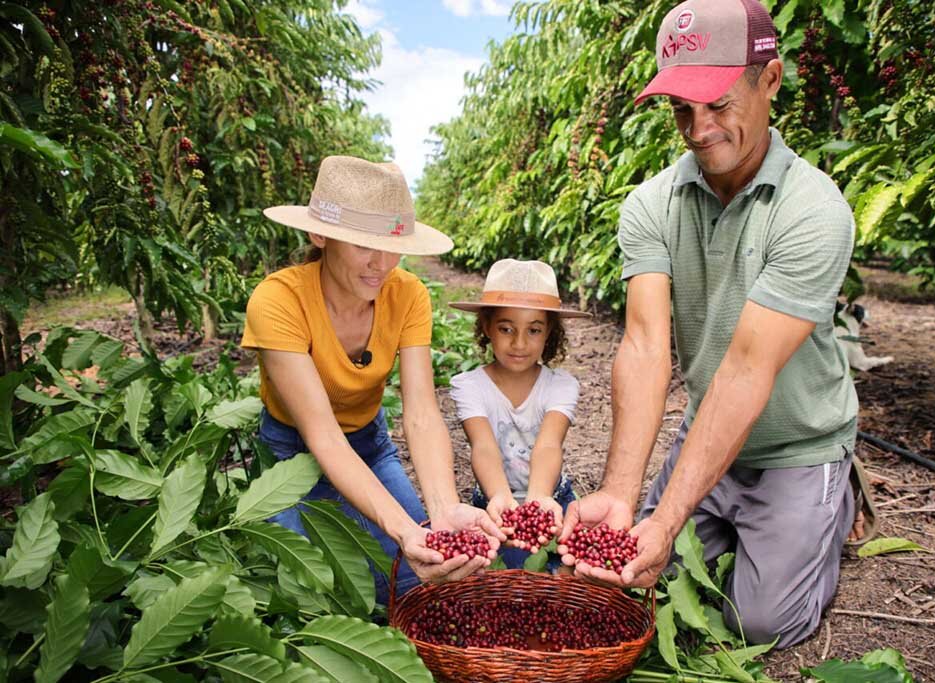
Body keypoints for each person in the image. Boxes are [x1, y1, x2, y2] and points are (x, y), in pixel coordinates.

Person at [558, 0, 868, 648]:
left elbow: (747, 368)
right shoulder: (650, 205)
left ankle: (834, 502)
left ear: (772, 81)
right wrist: (621, 494)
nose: (699, 128)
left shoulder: (813, 210)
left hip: (795, 444)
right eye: (681, 109)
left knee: (759, 622)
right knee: (638, 575)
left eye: (719, 103)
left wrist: (667, 518)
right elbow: (645, 346)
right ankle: (718, 513)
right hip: (711, 432)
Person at [241, 156, 503, 602]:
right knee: (302, 595)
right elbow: (321, 435)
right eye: (364, 245)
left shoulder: (407, 294)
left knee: (412, 584)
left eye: (392, 244)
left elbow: (420, 411)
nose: (381, 264)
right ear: (320, 235)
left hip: (367, 443)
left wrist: (441, 510)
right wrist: (403, 529)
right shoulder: (278, 301)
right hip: (288, 455)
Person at [448, 259, 590, 569]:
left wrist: (539, 497)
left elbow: (549, 443)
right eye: (506, 328)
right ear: (487, 326)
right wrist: (500, 496)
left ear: (549, 332)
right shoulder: (470, 386)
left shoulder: (560, 386)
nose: (519, 343)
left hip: (553, 498)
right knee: (512, 581)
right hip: (495, 503)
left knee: (566, 577)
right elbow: (483, 445)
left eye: (534, 330)